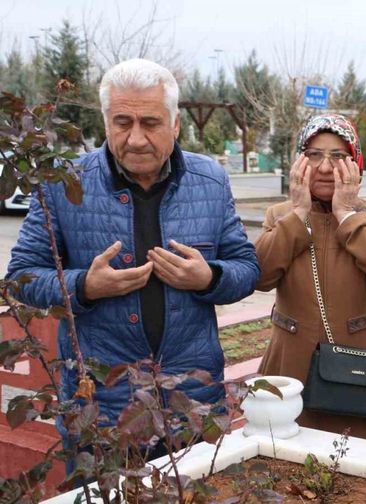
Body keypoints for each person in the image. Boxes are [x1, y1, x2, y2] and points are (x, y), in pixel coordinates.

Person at [6, 58, 260, 429]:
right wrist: (84, 287)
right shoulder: (64, 184)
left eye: (151, 123)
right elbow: (21, 278)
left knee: (193, 488)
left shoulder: (210, 180)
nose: (136, 138)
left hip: (194, 401)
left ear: (175, 123)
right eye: (123, 123)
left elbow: (247, 268)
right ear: (106, 122)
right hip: (101, 406)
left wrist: (209, 278)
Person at [255, 113, 366, 447]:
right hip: (290, 369)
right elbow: (261, 274)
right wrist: (298, 214)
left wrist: (347, 215)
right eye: (314, 155)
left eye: (338, 156)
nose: (325, 168)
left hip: (360, 372)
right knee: (283, 468)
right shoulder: (279, 215)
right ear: (300, 161)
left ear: (356, 162)